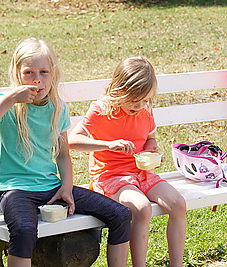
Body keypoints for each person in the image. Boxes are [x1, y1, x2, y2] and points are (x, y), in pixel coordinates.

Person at [0, 38, 131, 267]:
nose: (37, 79)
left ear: (53, 73)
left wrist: (67, 186)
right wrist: (10, 99)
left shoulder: (57, 106)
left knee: (120, 215)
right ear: (17, 73)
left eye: (44, 72)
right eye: (29, 72)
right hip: (14, 190)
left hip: (51, 187)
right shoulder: (6, 104)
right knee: (24, 230)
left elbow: (63, 154)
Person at [68, 56, 187, 267]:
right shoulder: (101, 110)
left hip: (141, 173)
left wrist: (152, 152)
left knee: (178, 204)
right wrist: (107, 144)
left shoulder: (144, 109)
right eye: (135, 100)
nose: (140, 106)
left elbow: (150, 138)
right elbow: (72, 141)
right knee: (141, 208)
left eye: (145, 100)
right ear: (119, 89)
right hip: (111, 175)